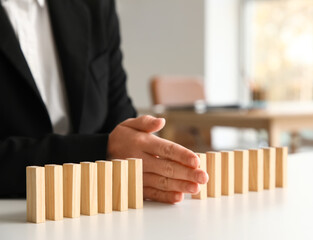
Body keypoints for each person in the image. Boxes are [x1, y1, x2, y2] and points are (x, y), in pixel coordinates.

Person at [0, 0, 208, 203]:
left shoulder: (96, 5)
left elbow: (119, 117)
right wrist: (102, 151)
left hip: (103, 209)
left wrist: (139, 150)